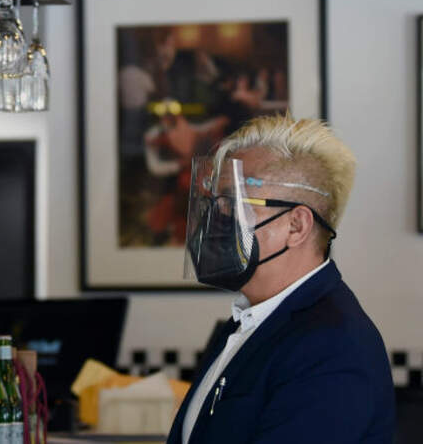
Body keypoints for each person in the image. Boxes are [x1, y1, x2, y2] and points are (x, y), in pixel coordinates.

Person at [169, 114, 394, 443]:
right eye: (216, 204)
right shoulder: (249, 323)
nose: (218, 218)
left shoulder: (331, 347)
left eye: (234, 204)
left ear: (296, 226)